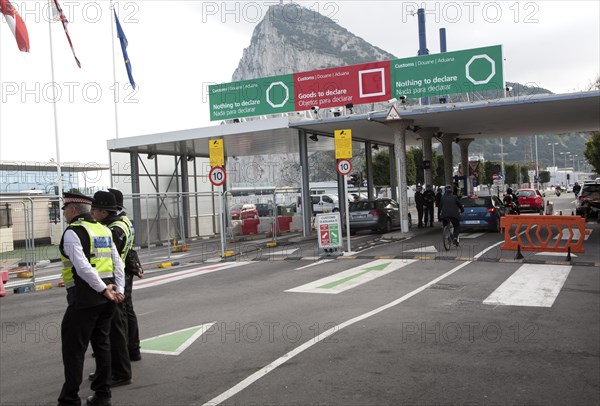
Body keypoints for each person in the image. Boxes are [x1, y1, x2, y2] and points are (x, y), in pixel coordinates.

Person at [57, 192, 125, 406]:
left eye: (65, 210)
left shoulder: (72, 232)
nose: (65, 214)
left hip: (86, 297)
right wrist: (119, 289)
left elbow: (83, 267)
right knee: (102, 345)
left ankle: (69, 399)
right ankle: (103, 396)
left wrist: (103, 289)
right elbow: (118, 263)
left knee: (73, 350)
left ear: (73, 210)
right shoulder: (103, 229)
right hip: (108, 299)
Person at [89, 191, 133, 388]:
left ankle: (120, 373)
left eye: (94, 210)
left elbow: (113, 258)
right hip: (113, 281)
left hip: (111, 283)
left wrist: (115, 286)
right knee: (110, 330)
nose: (91, 213)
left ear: (103, 212)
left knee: (114, 331)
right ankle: (108, 371)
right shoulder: (116, 224)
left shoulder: (111, 230)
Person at [108, 187, 143, 361]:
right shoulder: (125, 221)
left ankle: (125, 351)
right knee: (128, 311)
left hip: (119, 273)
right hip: (126, 270)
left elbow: (112, 253)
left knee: (121, 314)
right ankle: (133, 348)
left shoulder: (116, 227)